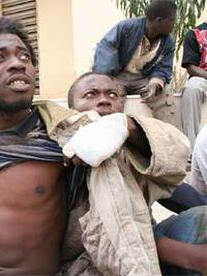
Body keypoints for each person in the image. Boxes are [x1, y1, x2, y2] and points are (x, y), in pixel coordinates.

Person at [0, 14, 189, 275]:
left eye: (24, 56)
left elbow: (174, 159)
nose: (18, 64)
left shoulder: (71, 135)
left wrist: (125, 125)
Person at [68, 72, 207, 275]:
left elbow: (175, 190)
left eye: (112, 95)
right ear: (70, 109)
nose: (104, 100)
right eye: (91, 94)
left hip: (144, 242)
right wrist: (190, 257)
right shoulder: (59, 155)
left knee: (202, 217)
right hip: (86, 262)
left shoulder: (131, 148)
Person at [93, 0, 177, 126]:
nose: (174, 24)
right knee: (111, 98)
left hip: (143, 79)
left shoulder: (168, 42)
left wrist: (156, 82)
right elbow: (106, 48)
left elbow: (163, 68)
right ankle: (109, 133)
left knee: (164, 96)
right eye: (172, 20)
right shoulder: (127, 27)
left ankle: (170, 138)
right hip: (118, 77)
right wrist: (106, 78)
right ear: (159, 21)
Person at [180, 21, 207, 150]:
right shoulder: (195, 34)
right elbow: (191, 67)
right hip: (203, 78)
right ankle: (192, 149)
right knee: (191, 88)